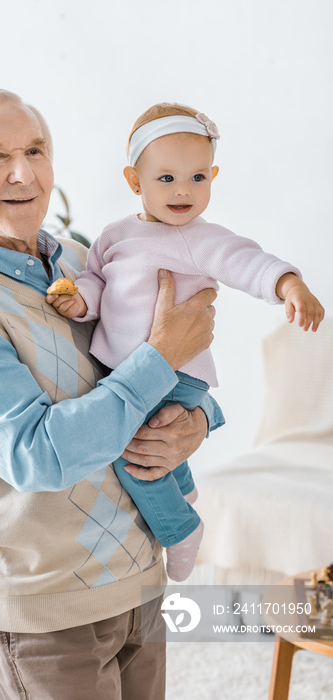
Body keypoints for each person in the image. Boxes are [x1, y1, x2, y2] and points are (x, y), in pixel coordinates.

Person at [0, 88, 219, 700]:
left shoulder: (83, 262)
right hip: (47, 615)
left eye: (36, 150)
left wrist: (198, 420)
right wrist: (160, 357)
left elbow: (183, 366)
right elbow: (39, 455)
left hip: (139, 581)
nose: (24, 173)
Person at [47, 101, 325, 583]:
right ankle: (186, 491)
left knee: (134, 453)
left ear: (213, 176)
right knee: (150, 439)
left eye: (198, 178)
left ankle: (179, 529)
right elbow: (97, 283)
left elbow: (247, 261)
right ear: (135, 180)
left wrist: (288, 285)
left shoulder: (200, 238)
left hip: (178, 374)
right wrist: (80, 301)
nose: (184, 191)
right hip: (130, 370)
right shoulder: (114, 237)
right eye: (167, 178)